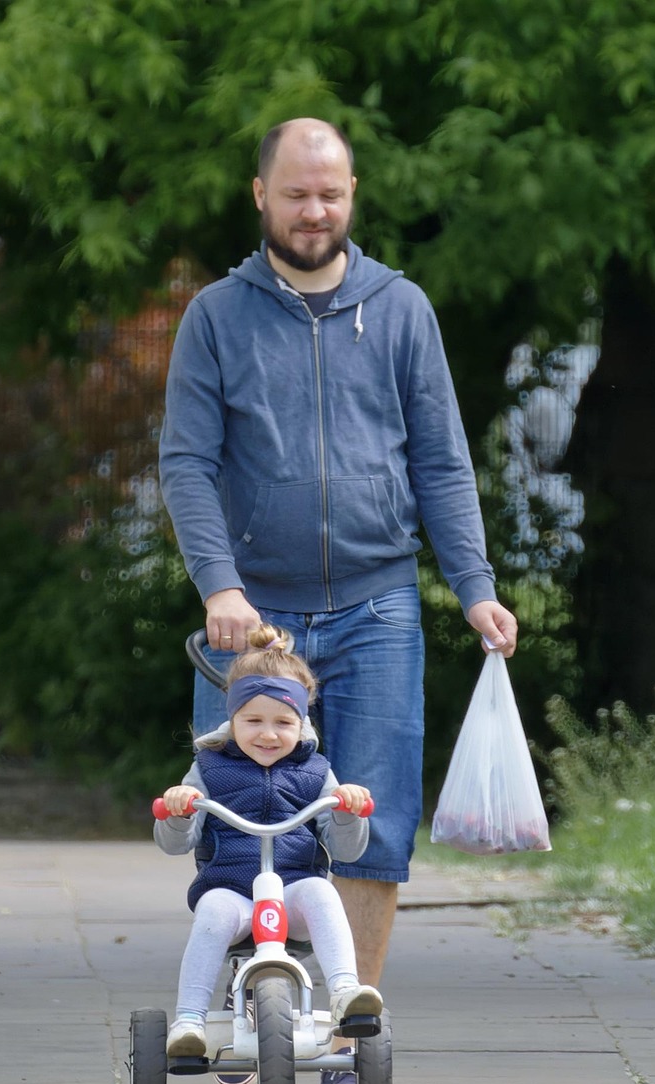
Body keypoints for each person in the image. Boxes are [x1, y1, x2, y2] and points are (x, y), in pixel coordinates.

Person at [159, 116, 520, 1015]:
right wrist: (220, 587)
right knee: (232, 824)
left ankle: (349, 1029)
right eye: (295, 194)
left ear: (352, 194)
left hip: (377, 609)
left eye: (329, 193)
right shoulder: (216, 317)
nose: (313, 211)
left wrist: (474, 587)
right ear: (260, 197)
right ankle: (250, 1007)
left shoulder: (401, 309)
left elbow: (440, 461)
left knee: (373, 824)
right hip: (255, 625)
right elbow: (186, 464)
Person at [154, 625, 382, 1084]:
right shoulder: (210, 769)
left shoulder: (317, 772)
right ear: (232, 718)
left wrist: (344, 809)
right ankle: (190, 1021)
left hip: (294, 889)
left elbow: (346, 850)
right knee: (213, 911)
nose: (268, 733)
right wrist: (180, 811)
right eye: (253, 720)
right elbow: (177, 845)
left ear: (301, 723)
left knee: (325, 893)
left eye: (283, 721)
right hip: (233, 890)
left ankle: (344, 993)